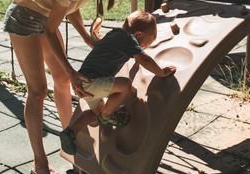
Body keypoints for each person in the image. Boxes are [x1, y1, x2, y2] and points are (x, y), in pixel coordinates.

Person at [2, 0, 145, 174]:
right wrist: (71, 69)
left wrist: (88, 38)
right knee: (38, 90)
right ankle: (40, 164)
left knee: (62, 80)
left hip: (46, 16)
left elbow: (69, 8)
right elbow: (48, 29)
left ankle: (70, 140)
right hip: (26, 16)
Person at [59, 11, 177, 155]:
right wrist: (161, 72)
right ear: (138, 34)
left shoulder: (114, 33)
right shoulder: (129, 39)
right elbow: (144, 59)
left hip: (83, 83)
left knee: (94, 112)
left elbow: (107, 49)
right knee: (125, 86)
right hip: (93, 81)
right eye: (145, 44)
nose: (142, 48)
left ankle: (70, 132)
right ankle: (108, 116)